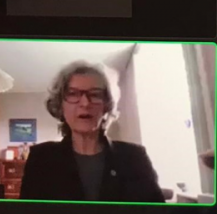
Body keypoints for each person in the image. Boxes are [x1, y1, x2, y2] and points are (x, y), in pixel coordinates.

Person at [19, 61, 165, 203]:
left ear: (107, 105)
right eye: (73, 94)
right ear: (61, 105)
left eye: (95, 94)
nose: (85, 103)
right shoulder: (41, 158)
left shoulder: (134, 158)